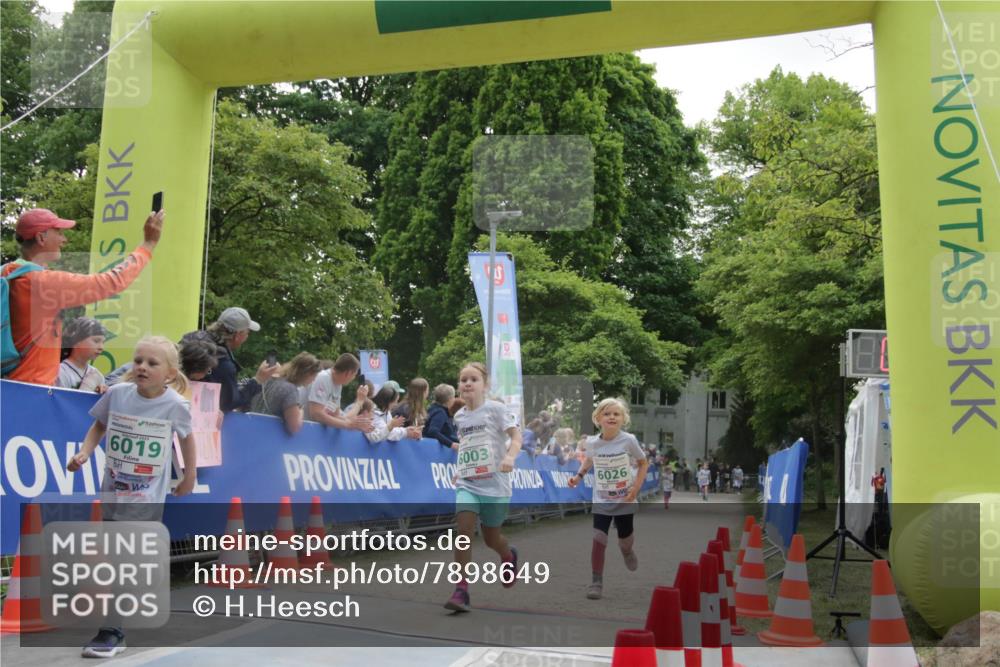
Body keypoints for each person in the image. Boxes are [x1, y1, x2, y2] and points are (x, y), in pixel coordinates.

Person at [66, 335, 196, 658]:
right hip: (113, 492)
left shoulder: (174, 405)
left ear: (168, 373)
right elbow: (99, 425)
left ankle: (111, 632)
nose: (142, 367)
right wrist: (84, 452)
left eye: (152, 363)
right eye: (138, 360)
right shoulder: (119, 394)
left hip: (146, 498)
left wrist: (189, 475)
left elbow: (187, 440)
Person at [2, 208, 163, 385]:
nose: (64, 240)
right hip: (32, 388)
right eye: (59, 233)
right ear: (41, 238)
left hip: (9, 383)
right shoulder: (42, 281)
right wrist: (147, 245)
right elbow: (111, 282)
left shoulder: (7, 273)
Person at [443, 362, 521, 613]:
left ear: (484, 385)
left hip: (496, 485)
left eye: (473, 379)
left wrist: (509, 457)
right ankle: (461, 590)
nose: (467, 383)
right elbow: (468, 445)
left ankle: (508, 555)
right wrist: (461, 469)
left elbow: (516, 437)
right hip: (468, 483)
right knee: (463, 532)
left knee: (491, 539)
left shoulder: (496, 409)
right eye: (463, 379)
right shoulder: (459, 416)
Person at [568, 398, 649, 601]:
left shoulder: (628, 440)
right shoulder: (593, 443)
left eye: (616, 414)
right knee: (599, 538)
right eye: (607, 414)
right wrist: (579, 476)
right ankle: (596, 581)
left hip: (624, 499)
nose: (611, 417)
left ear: (623, 419)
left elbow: (643, 463)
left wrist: (635, 490)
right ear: (598, 418)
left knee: (625, 540)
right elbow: (589, 459)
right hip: (602, 499)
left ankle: (627, 551)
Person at [251, 352, 321, 434]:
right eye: (314, 376)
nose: (314, 380)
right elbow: (294, 427)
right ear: (308, 374)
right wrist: (300, 410)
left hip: (252, 429)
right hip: (269, 435)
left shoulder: (268, 379)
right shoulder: (290, 390)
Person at [306, 353, 372, 432]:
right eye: (354, 375)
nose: (353, 378)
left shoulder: (338, 384)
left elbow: (337, 416)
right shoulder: (323, 378)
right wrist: (348, 425)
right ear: (348, 373)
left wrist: (357, 423)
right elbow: (316, 414)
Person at [56, 317, 108, 393]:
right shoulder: (61, 372)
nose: (101, 347)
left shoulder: (98, 375)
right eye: (96, 341)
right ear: (76, 341)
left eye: (103, 342)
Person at [424, 383, 460, 450]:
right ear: (449, 399)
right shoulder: (440, 413)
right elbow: (433, 431)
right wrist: (451, 444)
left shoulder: (432, 408)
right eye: (454, 397)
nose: (454, 399)